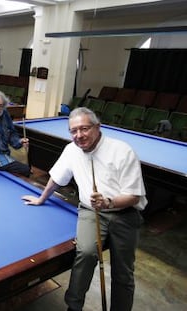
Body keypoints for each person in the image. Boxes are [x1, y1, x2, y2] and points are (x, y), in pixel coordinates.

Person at [22, 107, 146, 311]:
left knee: (123, 272)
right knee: (86, 253)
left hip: (124, 213)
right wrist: (41, 198)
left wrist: (108, 202)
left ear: (98, 127)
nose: (79, 135)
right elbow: (57, 177)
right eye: (73, 131)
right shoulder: (71, 149)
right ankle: (74, 306)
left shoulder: (122, 151)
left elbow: (134, 196)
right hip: (91, 210)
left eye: (84, 128)